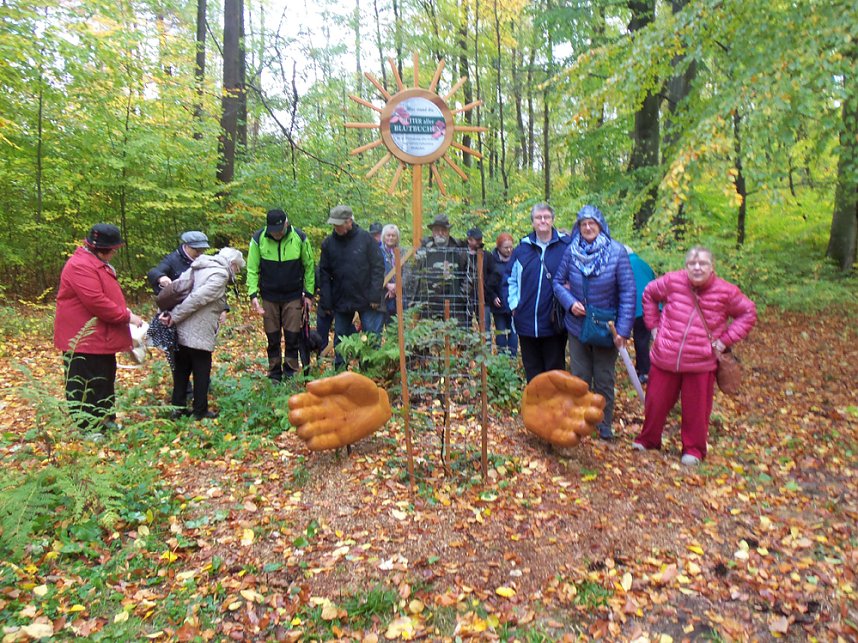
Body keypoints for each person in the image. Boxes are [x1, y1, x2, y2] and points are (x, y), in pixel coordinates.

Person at [632, 246, 756, 465]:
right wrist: (653, 326)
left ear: (712, 267)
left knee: (697, 410)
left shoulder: (726, 291)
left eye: (703, 264)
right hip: (666, 357)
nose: (697, 267)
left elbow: (748, 312)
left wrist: (725, 341)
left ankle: (694, 449)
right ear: (685, 265)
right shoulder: (672, 281)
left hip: (701, 362)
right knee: (655, 402)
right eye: (692, 263)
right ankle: (649, 440)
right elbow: (649, 294)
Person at [553, 205, 635, 441]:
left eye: (592, 223)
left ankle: (604, 424)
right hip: (577, 326)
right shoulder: (571, 251)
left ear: (600, 226)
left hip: (605, 327)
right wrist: (570, 302)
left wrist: (623, 330)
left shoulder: (616, 252)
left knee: (604, 377)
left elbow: (628, 292)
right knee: (579, 377)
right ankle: (580, 421)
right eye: (583, 224)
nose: (588, 228)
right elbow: (558, 282)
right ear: (578, 228)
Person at [54, 224, 144, 432]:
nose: (115, 252)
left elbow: (105, 296)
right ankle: (87, 427)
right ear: (102, 249)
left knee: (104, 380)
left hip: (100, 336)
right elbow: (96, 301)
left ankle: (106, 420)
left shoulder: (96, 263)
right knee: (84, 384)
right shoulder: (80, 265)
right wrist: (127, 316)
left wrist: (123, 310)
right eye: (113, 249)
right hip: (82, 338)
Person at [160, 247, 246, 420]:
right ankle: (200, 410)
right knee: (201, 371)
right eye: (237, 268)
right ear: (231, 264)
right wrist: (174, 316)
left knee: (181, 370)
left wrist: (169, 313)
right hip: (197, 329)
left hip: (181, 327)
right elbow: (197, 299)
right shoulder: (220, 275)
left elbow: (176, 289)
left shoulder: (199, 266)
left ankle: (178, 408)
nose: (236, 273)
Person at [247, 209, 315, 382]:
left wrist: (309, 294)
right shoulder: (258, 239)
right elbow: (252, 269)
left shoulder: (299, 237)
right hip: (269, 296)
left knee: (293, 336)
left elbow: (309, 267)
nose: (277, 234)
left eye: (279, 230)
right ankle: (275, 373)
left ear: (286, 223)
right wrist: (253, 294)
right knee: (272, 336)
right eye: (273, 231)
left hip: (293, 295)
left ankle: (291, 372)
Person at [507, 204, 571, 382]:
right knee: (533, 372)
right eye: (538, 217)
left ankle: (555, 409)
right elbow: (510, 279)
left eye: (546, 217)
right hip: (526, 322)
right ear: (533, 222)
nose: (543, 220)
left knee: (555, 373)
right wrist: (514, 304)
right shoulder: (521, 250)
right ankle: (536, 409)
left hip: (554, 323)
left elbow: (576, 276)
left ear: (552, 220)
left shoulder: (566, 247)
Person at [318, 205, 385, 367]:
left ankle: (370, 373)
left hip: (367, 298)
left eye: (338, 224)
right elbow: (324, 274)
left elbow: (378, 267)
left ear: (349, 222)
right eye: (334, 224)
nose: (336, 228)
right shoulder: (328, 244)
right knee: (341, 339)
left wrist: (375, 295)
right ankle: (340, 373)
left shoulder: (366, 240)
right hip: (342, 299)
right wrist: (326, 301)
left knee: (371, 338)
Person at [409, 213, 468, 324]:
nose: (440, 233)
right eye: (437, 230)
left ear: (448, 231)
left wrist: (462, 295)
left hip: (453, 303)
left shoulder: (459, 249)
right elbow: (415, 274)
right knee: (430, 337)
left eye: (443, 230)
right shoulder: (424, 249)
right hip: (429, 304)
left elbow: (468, 274)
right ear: (432, 232)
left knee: (454, 336)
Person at [625, 245, 656, 383]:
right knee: (644, 338)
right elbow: (653, 279)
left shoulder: (624, 265)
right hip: (652, 306)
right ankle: (643, 368)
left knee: (641, 340)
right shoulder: (643, 263)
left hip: (636, 307)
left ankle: (645, 371)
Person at [464, 227, 500, 336]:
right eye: (476, 239)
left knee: (485, 329)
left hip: (484, 299)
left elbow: (495, 274)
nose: (479, 242)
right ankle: (467, 350)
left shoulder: (487, 256)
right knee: (465, 328)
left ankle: (486, 351)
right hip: (465, 298)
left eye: (480, 239)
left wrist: (486, 286)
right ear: (469, 240)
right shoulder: (461, 255)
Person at [490, 232, 517, 356]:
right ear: (499, 247)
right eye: (506, 247)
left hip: (513, 302)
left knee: (513, 330)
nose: (509, 250)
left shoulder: (516, 259)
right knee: (500, 330)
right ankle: (501, 357)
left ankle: (512, 356)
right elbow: (487, 283)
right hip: (499, 302)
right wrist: (493, 296)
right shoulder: (492, 261)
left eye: (511, 247)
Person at [380, 223, 403, 324]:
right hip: (384, 294)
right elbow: (377, 271)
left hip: (401, 294)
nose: (390, 238)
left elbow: (407, 272)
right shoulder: (378, 252)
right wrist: (388, 285)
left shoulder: (403, 252)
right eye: (388, 235)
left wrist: (397, 286)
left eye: (393, 235)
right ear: (384, 237)